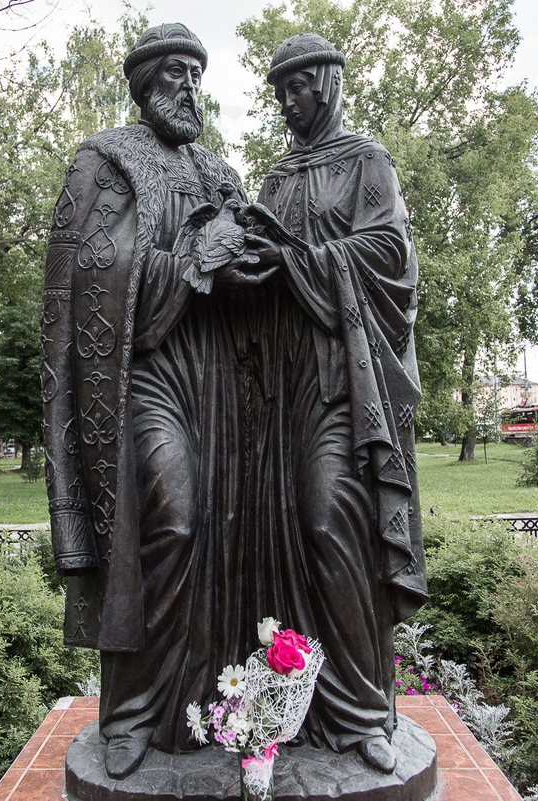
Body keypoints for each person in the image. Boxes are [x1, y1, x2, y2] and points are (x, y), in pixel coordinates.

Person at [40, 23, 274, 779]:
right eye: (176, 74)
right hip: (145, 375)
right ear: (144, 85)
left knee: (224, 529)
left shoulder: (219, 170)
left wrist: (246, 258)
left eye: (198, 75)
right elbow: (92, 283)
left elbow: (251, 252)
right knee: (168, 520)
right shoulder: (103, 164)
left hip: (222, 380)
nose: (191, 88)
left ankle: (216, 703)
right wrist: (193, 260)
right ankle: (134, 711)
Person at [239, 33, 428, 774]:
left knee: (327, 520)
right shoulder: (278, 175)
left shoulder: (366, 163)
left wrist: (297, 256)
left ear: (329, 83)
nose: (288, 104)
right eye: (278, 92)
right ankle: (289, 699)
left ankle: (360, 712)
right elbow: (264, 253)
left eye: (298, 87)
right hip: (277, 383)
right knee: (274, 531)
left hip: (341, 382)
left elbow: (389, 255)